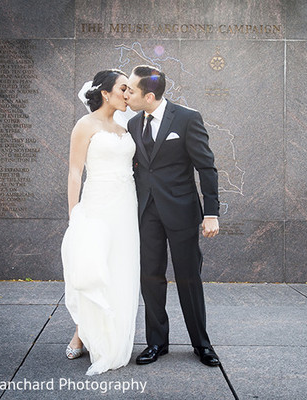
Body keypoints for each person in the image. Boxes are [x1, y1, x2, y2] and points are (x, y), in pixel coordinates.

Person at [124, 65, 221, 367]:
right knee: (151, 278)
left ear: (149, 95)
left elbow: (206, 167)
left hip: (181, 212)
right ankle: (157, 343)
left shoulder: (187, 119)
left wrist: (212, 213)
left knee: (188, 278)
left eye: (131, 90)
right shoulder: (132, 125)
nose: (126, 93)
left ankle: (201, 345)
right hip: (146, 214)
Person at [61, 69, 140, 376]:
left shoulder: (125, 126)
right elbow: (73, 172)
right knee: (95, 267)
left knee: (120, 269)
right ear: (106, 93)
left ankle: (111, 334)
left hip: (125, 207)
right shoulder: (85, 125)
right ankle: (82, 331)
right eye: (124, 89)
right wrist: (74, 214)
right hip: (96, 206)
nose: (128, 94)